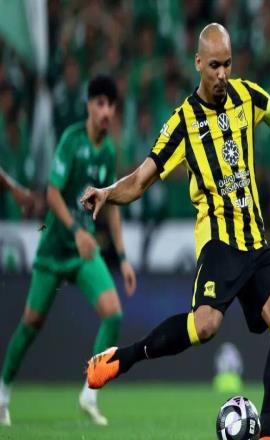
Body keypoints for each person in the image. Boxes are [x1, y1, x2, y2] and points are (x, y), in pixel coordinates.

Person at [81, 24, 270, 440]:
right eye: (214, 65)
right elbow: (141, 179)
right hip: (219, 243)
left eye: (228, 64)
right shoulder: (183, 122)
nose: (222, 74)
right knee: (205, 327)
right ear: (198, 63)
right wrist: (108, 193)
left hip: (255, 241)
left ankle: (268, 431)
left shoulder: (246, 96)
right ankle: (122, 358)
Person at [0, 75, 137, 427]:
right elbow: (52, 193)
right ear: (89, 106)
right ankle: (2, 394)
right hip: (55, 249)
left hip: (83, 250)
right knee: (31, 322)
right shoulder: (71, 140)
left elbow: (112, 205)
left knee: (114, 314)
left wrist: (123, 258)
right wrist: (76, 231)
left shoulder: (108, 152)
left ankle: (89, 394)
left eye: (111, 105)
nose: (106, 111)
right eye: (100, 104)